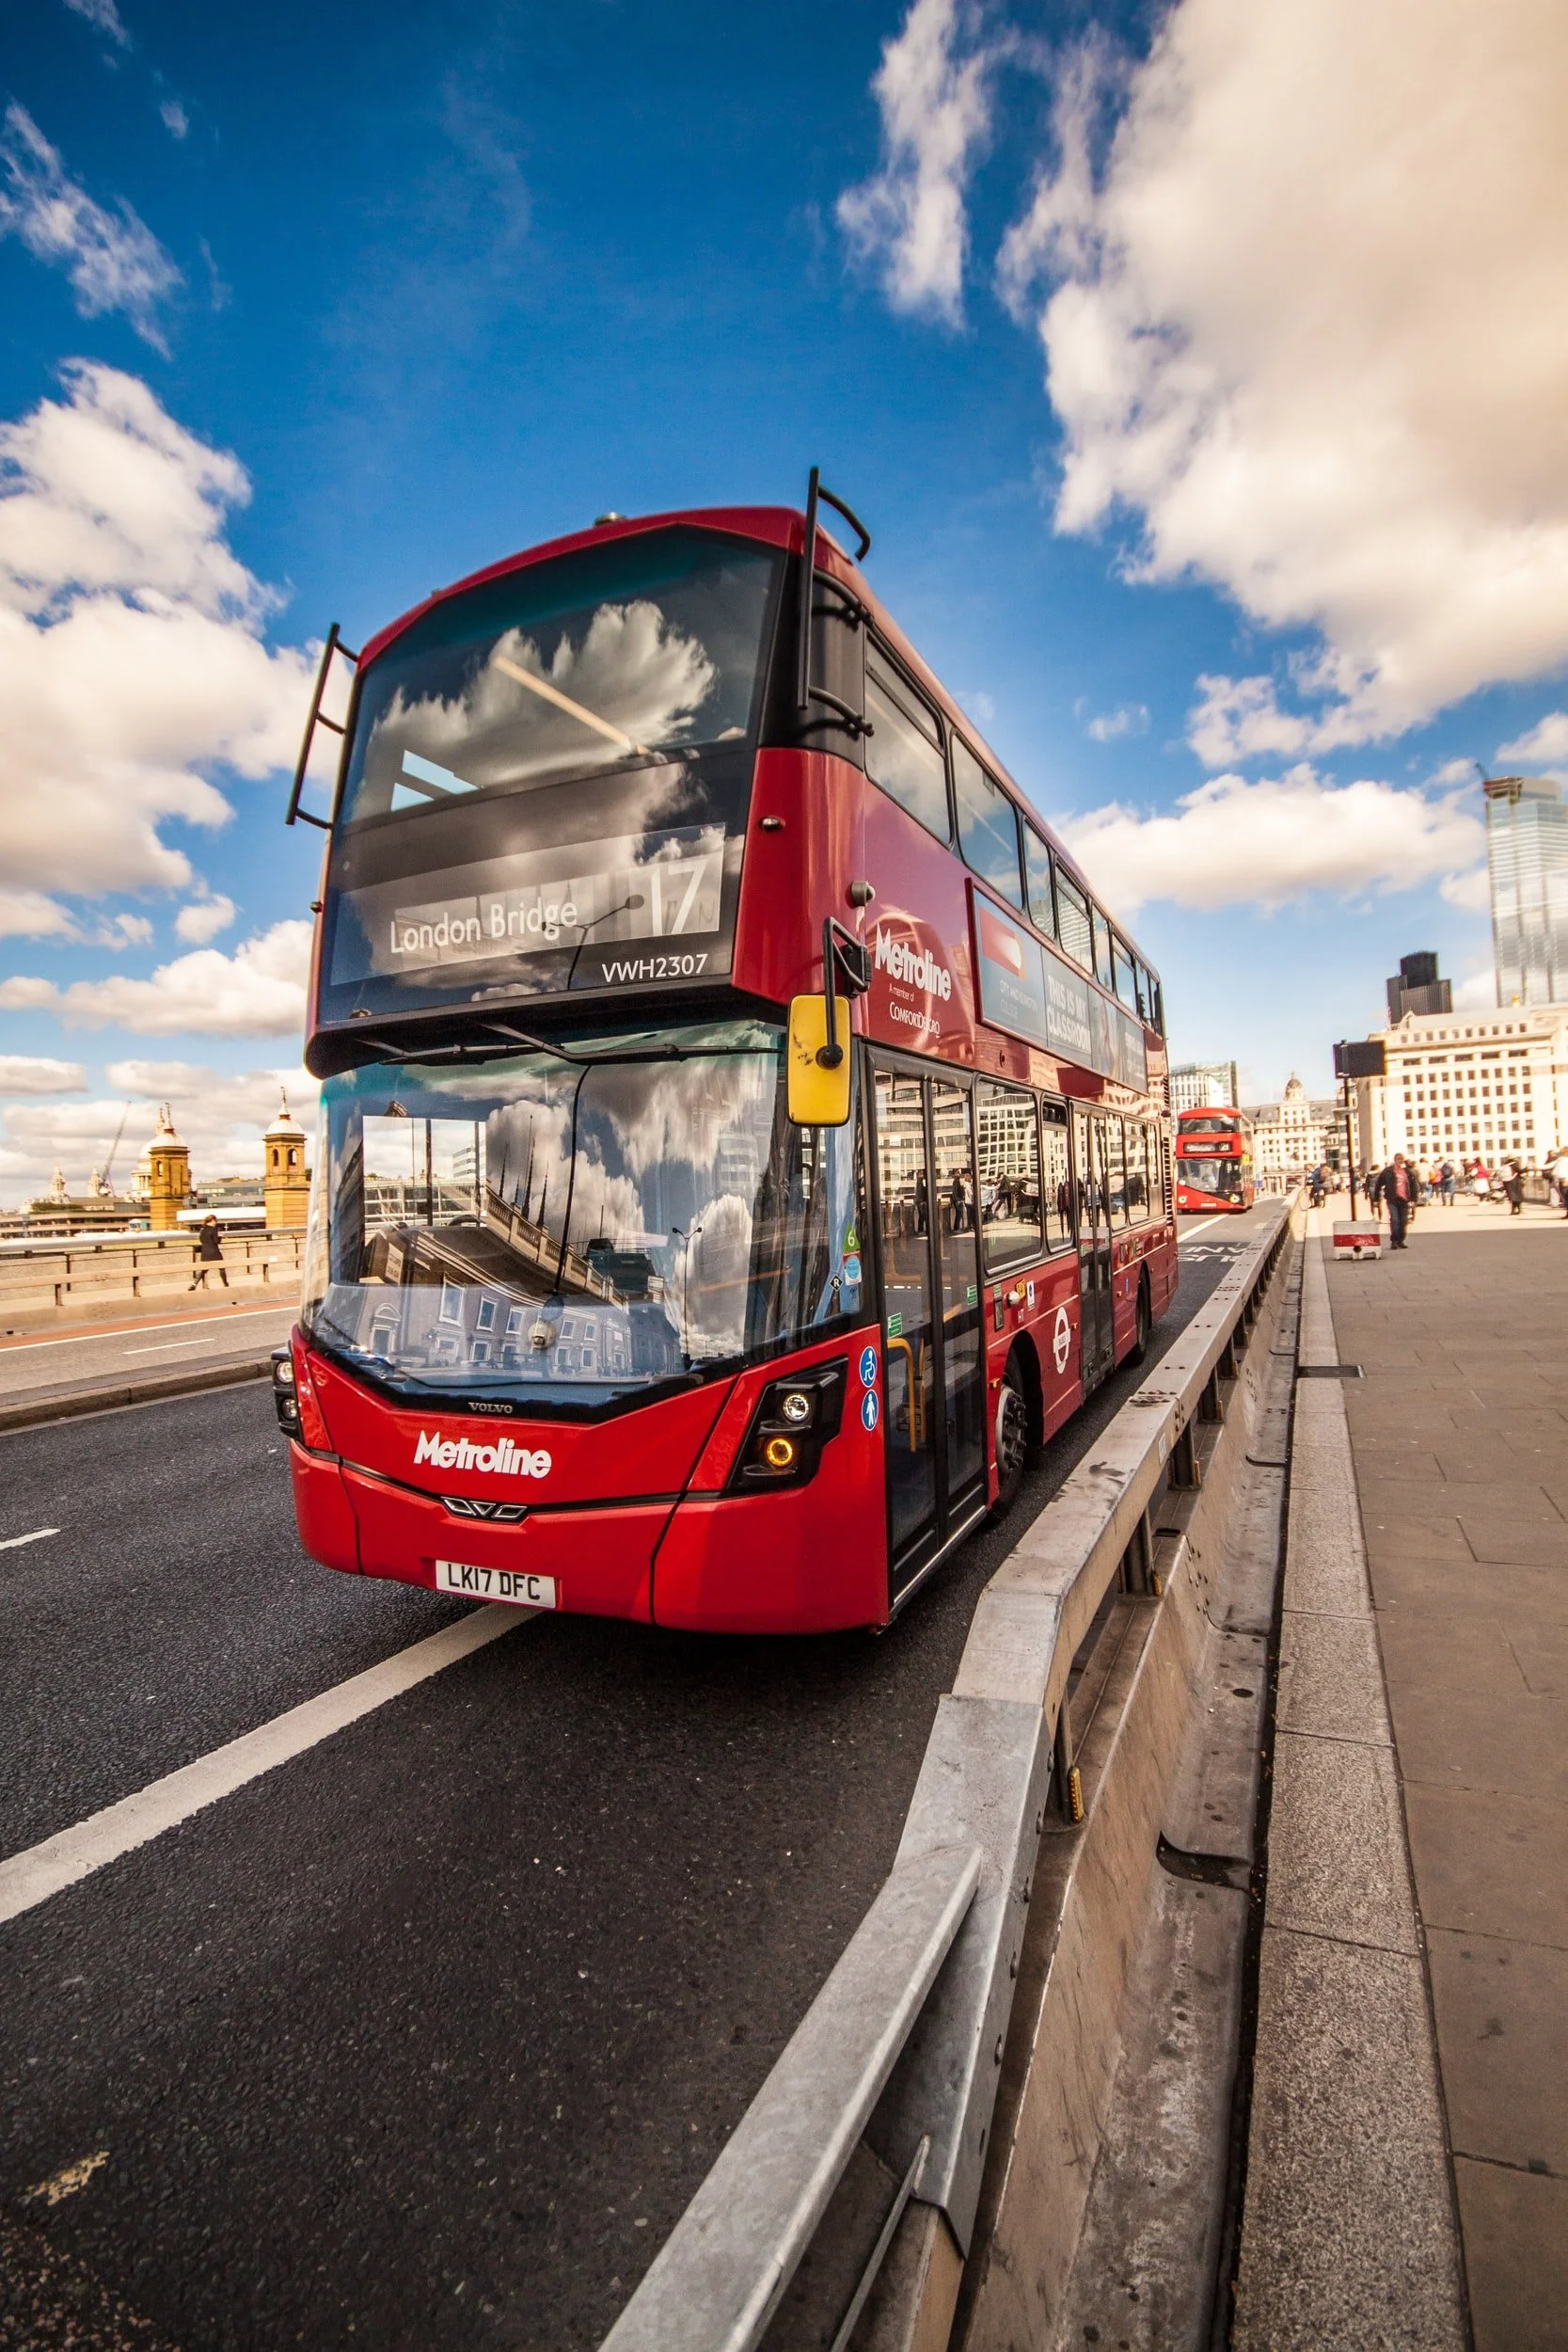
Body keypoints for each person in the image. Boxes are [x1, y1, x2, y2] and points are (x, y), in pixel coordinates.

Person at [190, 1213, 230, 1289]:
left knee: (204, 1269)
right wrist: (220, 1237)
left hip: (205, 1252)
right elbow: (216, 1241)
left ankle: (194, 1284)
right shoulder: (213, 1229)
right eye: (216, 1221)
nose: (216, 1223)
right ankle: (226, 1284)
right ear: (212, 1220)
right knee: (222, 1268)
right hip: (214, 1251)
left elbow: (201, 1240)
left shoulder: (203, 1229)